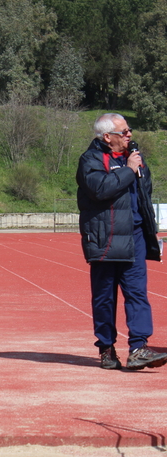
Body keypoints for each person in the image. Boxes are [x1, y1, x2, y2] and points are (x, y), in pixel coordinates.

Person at [76, 113, 167, 371]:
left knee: (138, 294)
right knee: (104, 298)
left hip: (135, 237)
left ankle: (138, 347)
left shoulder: (135, 159)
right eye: (124, 132)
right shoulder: (91, 160)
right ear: (107, 137)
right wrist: (128, 169)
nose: (129, 135)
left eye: (129, 130)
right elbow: (100, 189)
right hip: (106, 238)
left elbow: (143, 197)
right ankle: (106, 348)